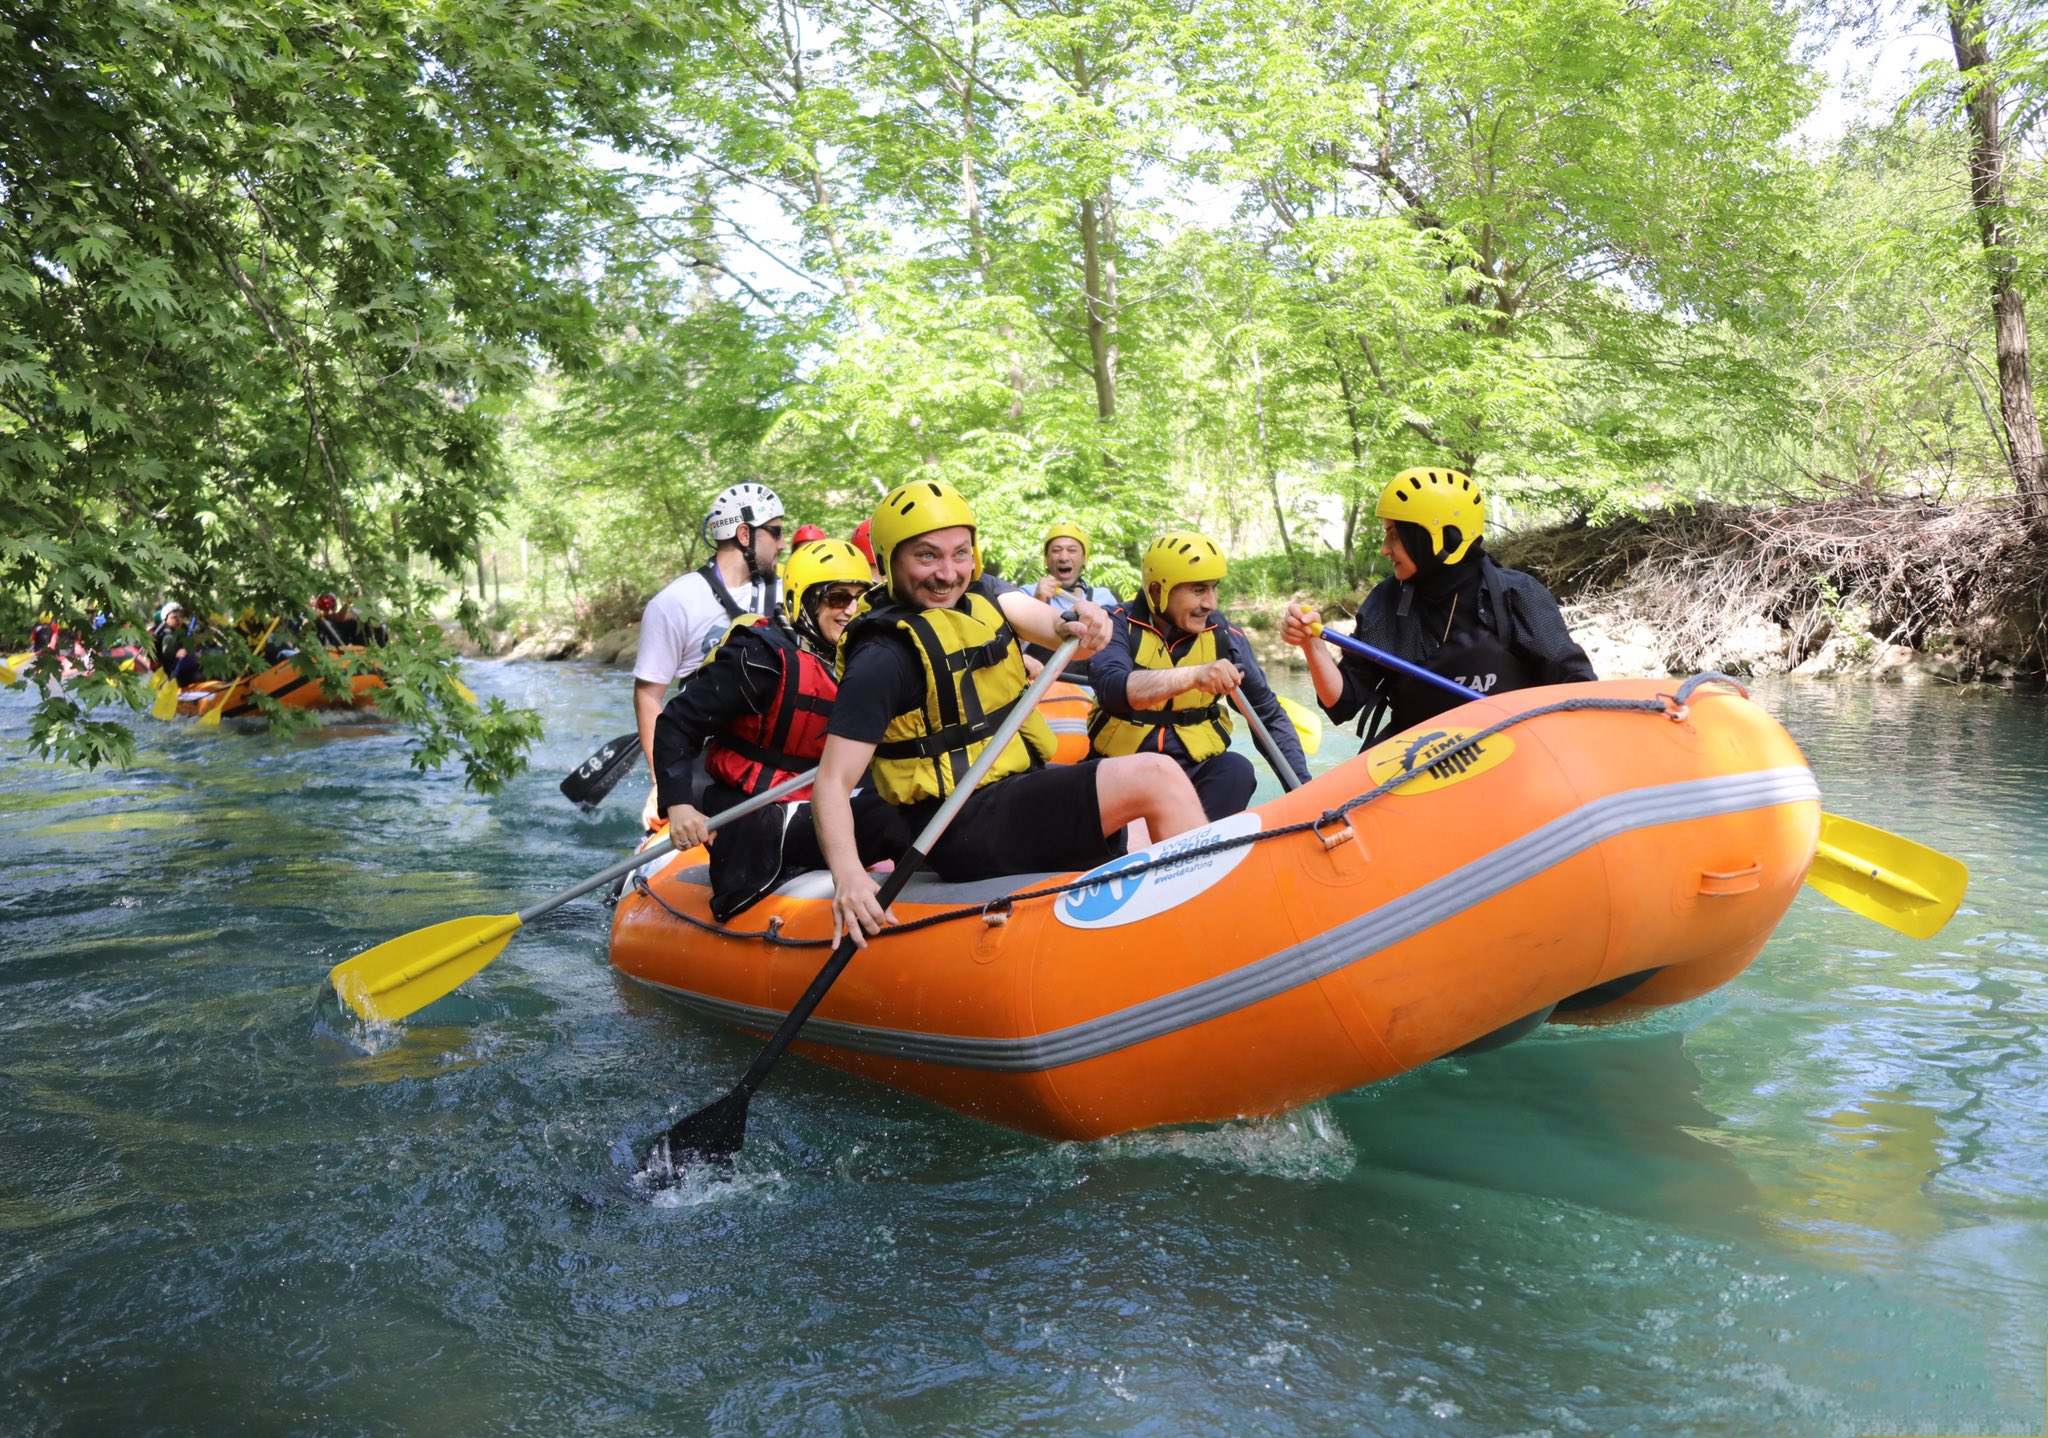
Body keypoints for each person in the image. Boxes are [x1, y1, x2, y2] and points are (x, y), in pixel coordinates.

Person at [813, 480, 1209, 947]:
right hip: (957, 824)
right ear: (887, 561)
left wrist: (1083, 619)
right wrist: (849, 876)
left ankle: (1167, 932)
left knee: (1139, 830)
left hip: (1007, 791)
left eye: (960, 553)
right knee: (1157, 776)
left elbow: (1055, 625)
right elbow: (832, 782)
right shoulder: (882, 655)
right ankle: (1208, 933)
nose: (947, 573)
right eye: (926, 556)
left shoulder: (981, 596)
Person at [653, 540, 907, 920]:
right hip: (760, 811)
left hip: (828, 801)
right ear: (802, 601)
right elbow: (676, 724)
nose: (851, 610)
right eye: (837, 598)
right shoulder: (758, 658)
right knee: (893, 816)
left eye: (862, 599)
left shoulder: (868, 658)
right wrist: (678, 803)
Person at [1282, 466, 1595, 745]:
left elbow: (1578, 690)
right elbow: (1342, 703)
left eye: (1394, 535)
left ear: (1441, 537)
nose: (1384, 550)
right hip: (1416, 758)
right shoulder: (1386, 603)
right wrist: (1312, 646)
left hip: (1510, 751)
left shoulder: (1516, 595)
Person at [1088, 530, 1309, 820]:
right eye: (1198, 590)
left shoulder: (1225, 637)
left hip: (1194, 768)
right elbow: (1114, 690)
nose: (1211, 603)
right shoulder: (1115, 623)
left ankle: (1199, 851)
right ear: (1157, 591)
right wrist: (1194, 675)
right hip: (1121, 767)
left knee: (1236, 770)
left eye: (1214, 588)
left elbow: (1267, 715)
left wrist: (1305, 792)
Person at [633, 483, 787, 825]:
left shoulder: (790, 591)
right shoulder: (675, 602)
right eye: (775, 532)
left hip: (780, 750)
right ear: (744, 533)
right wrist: (663, 783)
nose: (781, 544)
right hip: (708, 753)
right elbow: (649, 695)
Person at [151, 602, 202, 684]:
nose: (178, 620)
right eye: (174, 617)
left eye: (180, 616)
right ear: (166, 619)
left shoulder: (186, 631)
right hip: (172, 673)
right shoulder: (166, 636)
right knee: (198, 677)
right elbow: (166, 654)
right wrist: (176, 654)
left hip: (188, 668)